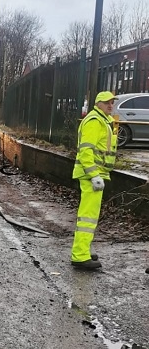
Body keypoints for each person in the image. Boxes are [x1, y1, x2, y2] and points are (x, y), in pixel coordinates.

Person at [71, 91, 118, 270]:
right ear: (98, 103)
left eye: (112, 102)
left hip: (94, 174)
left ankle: (83, 249)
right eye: (107, 102)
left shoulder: (102, 120)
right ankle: (80, 255)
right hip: (92, 175)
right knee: (88, 217)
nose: (110, 105)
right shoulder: (94, 121)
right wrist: (94, 175)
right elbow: (86, 151)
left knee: (89, 216)